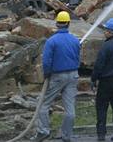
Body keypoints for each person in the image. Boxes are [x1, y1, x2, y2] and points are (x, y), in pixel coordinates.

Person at [34, 11, 80, 142]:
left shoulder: (51, 41)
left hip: (58, 75)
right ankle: (67, 136)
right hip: (73, 75)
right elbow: (78, 58)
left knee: (44, 104)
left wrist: (46, 73)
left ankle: (43, 131)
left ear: (57, 24)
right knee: (70, 108)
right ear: (68, 24)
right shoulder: (75, 40)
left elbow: (46, 61)